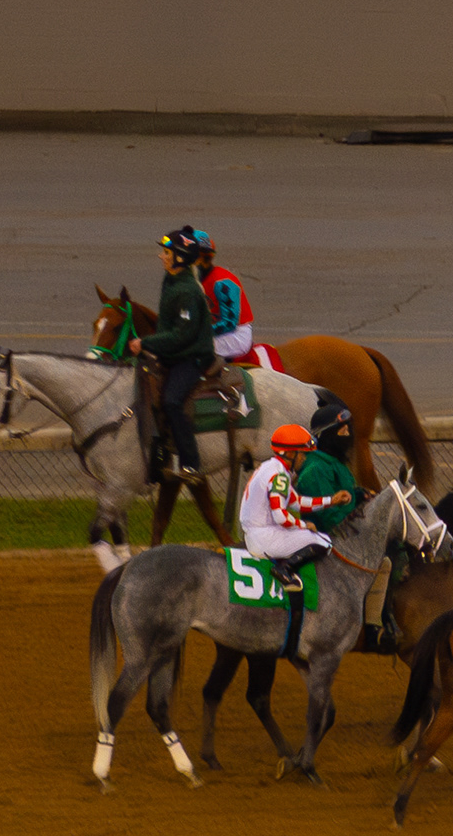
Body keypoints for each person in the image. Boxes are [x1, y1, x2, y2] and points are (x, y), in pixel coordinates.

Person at [236, 421, 349, 656]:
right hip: (263, 536)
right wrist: (304, 525)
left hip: (259, 531)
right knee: (323, 541)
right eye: (302, 454)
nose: (305, 459)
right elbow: (281, 516)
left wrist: (331, 500)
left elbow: (297, 503)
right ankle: (285, 568)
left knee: (317, 536)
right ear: (289, 453)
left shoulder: (273, 468)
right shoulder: (278, 475)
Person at [138, 226, 218, 481]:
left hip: (192, 357)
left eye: (166, 252)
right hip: (175, 353)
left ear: (179, 258)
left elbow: (183, 335)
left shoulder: (187, 291)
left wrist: (146, 343)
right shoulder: (171, 280)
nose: (161, 256)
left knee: (172, 401)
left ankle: (191, 464)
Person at [203, 246, 269, 371]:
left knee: (193, 349)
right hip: (214, 332)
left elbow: (229, 323)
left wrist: (198, 333)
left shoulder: (223, 282)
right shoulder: (192, 280)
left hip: (236, 334)